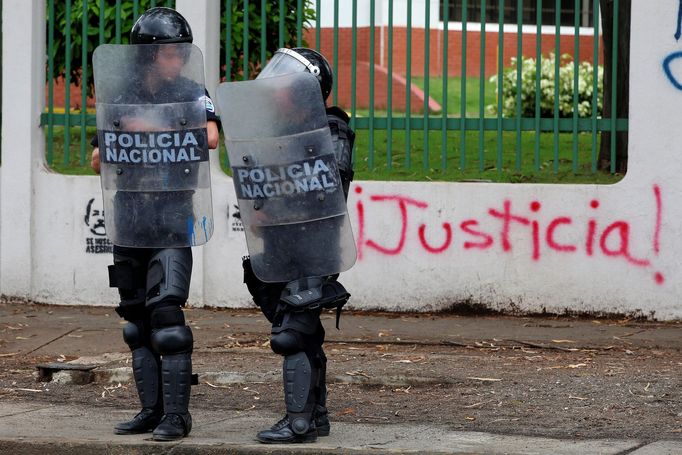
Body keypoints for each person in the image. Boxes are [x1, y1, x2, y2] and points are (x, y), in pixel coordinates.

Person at [91, 7, 220, 441]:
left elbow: (212, 136)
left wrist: (144, 127)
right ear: (148, 55)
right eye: (169, 53)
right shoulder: (120, 94)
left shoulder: (191, 90)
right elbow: (97, 157)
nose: (177, 60)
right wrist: (123, 137)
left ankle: (177, 418)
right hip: (129, 216)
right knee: (135, 322)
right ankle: (150, 410)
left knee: (167, 317)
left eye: (181, 52)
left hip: (171, 216)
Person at [239, 48, 356, 444]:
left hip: (314, 245)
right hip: (279, 244)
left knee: (291, 332)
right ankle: (317, 415)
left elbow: (328, 185)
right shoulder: (274, 129)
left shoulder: (331, 127)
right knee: (300, 331)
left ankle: (298, 422)